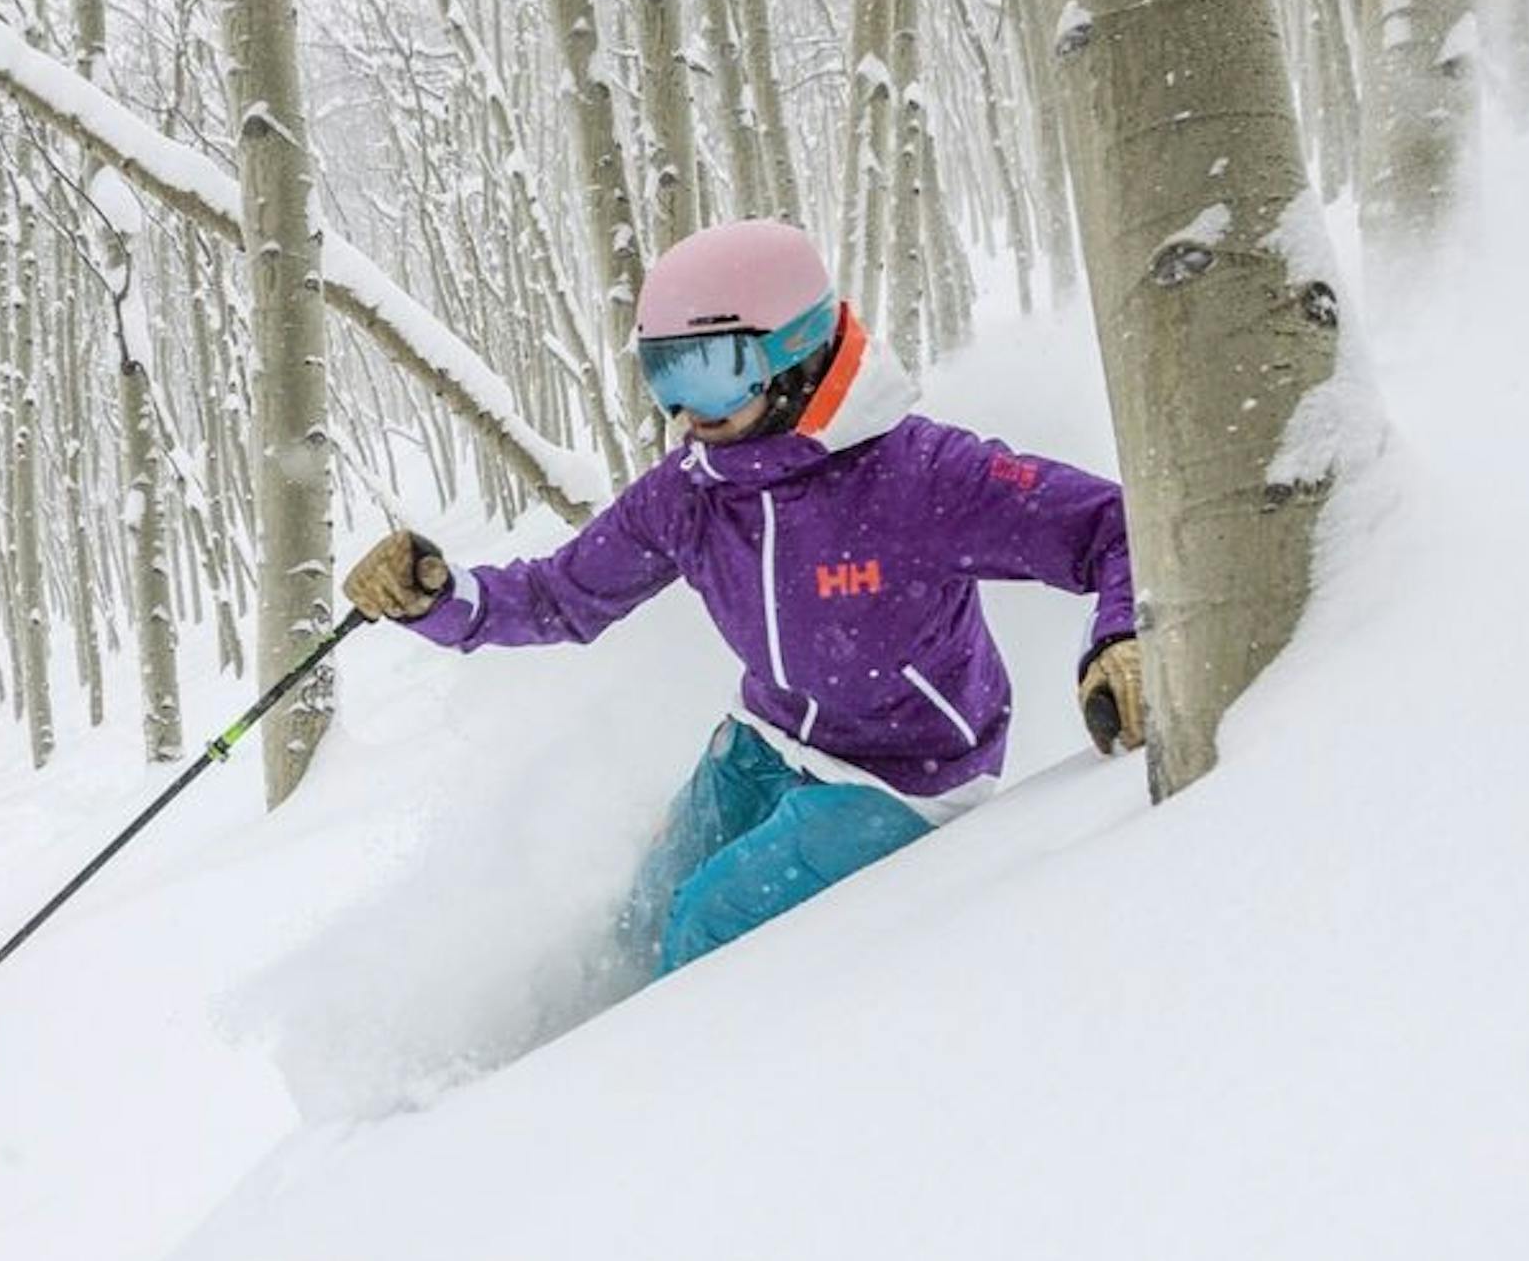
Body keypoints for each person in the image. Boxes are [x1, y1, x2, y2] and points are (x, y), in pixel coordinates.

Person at [344, 216, 1146, 974]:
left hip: (906, 777)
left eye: (711, 373)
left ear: (793, 354)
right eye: (664, 374)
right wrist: (436, 598)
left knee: (706, 924)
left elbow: (1115, 527)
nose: (688, 410)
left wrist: (1123, 638)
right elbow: (562, 596)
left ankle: (685, 1089)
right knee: (647, 908)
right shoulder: (693, 492)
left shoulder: (918, 475)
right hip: (764, 740)